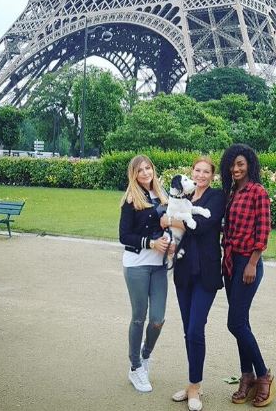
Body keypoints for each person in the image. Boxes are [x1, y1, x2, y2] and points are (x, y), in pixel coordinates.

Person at [163, 157, 225, 411]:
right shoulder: (183, 198)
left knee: (196, 329)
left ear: (212, 175)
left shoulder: (217, 197)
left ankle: (196, 388)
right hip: (184, 273)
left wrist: (168, 220)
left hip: (206, 273)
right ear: (191, 173)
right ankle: (191, 384)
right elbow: (168, 218)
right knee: (189, 331)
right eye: (196, 171)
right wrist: (168, 221)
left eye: (205, 172)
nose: (200, 175)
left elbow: (200, 226)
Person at [220, 144, 275, 407]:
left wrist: (253, 263)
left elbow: (263, 233)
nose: (236, 168)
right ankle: (246, 376)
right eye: (232, 164)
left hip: (248, 263)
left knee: (235, 323)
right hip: (230, 263)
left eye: (240, 164)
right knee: (242, 322)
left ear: (250, 164)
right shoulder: (232, 192)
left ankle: (264, 376)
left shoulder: (258, 192)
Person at [119, 154, 170, 393]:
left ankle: (145, 355)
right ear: (134, 174)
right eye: (140, 170)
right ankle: (135, 367)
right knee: (139, 317)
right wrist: (150, 244)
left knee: (158, 319)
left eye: (148, 168)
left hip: (159, 266)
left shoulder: (162, 196)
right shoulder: (131, 199)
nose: (146, 173)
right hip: (137, 265)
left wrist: (170, 243)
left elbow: (168, 227)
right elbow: (124, 236)